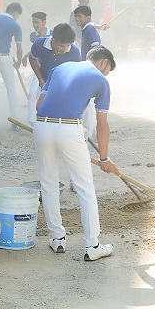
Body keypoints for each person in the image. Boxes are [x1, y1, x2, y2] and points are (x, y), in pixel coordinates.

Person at [34, 46, 119, 261]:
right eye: (107, 70)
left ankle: (57, 238)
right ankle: (92, 245)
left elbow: (39, 104)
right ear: (104, 62)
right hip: (69, 128)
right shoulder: (101, 80)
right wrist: (104, 158)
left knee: (49, 184)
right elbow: (102, 125)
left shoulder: (59, 68)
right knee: (84, 187)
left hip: (42, 126)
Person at [28, 23, 81, 125]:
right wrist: (41, 81)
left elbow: (76, 74)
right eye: (61, 46)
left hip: (63, 83)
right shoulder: (39, 44)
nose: (65, 49)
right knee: (40, 105)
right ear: (53, 40)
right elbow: (32, 59)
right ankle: (39, 126)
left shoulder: (74, 51)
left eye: (68, 45)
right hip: (44, 78)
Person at [74, 5, 101, 139]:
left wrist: (91, 67)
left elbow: (96, 48)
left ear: (87, 17)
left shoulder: (89, 29)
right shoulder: (88, 28)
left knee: (88, 101)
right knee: (87, 101)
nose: (77, 19)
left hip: (89, 69)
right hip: (87, 68)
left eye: (80, 16)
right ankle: (91, 129)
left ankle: (89, 133)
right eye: (76, 16)